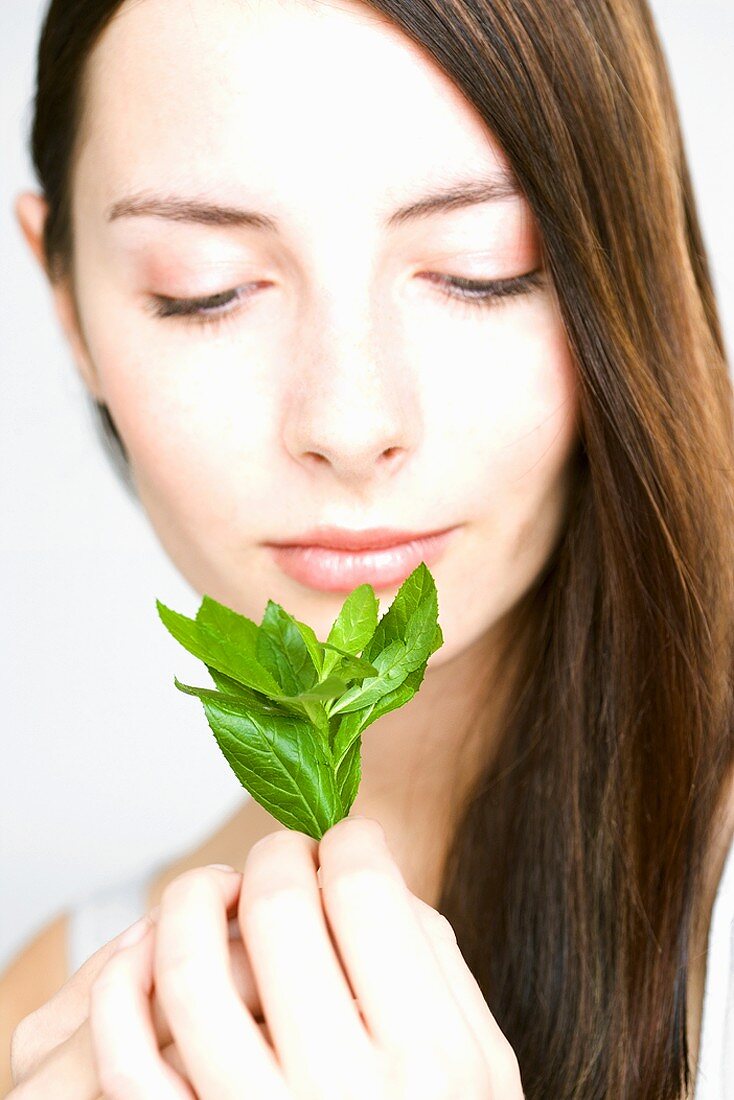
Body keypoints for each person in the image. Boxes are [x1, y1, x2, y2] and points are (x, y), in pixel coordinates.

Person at [2, 0, 733, 1094]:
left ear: (627, 265)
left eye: (482, 267)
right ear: (69, 304)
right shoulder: (75, 1024)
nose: (348, 423)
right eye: (202, 289)